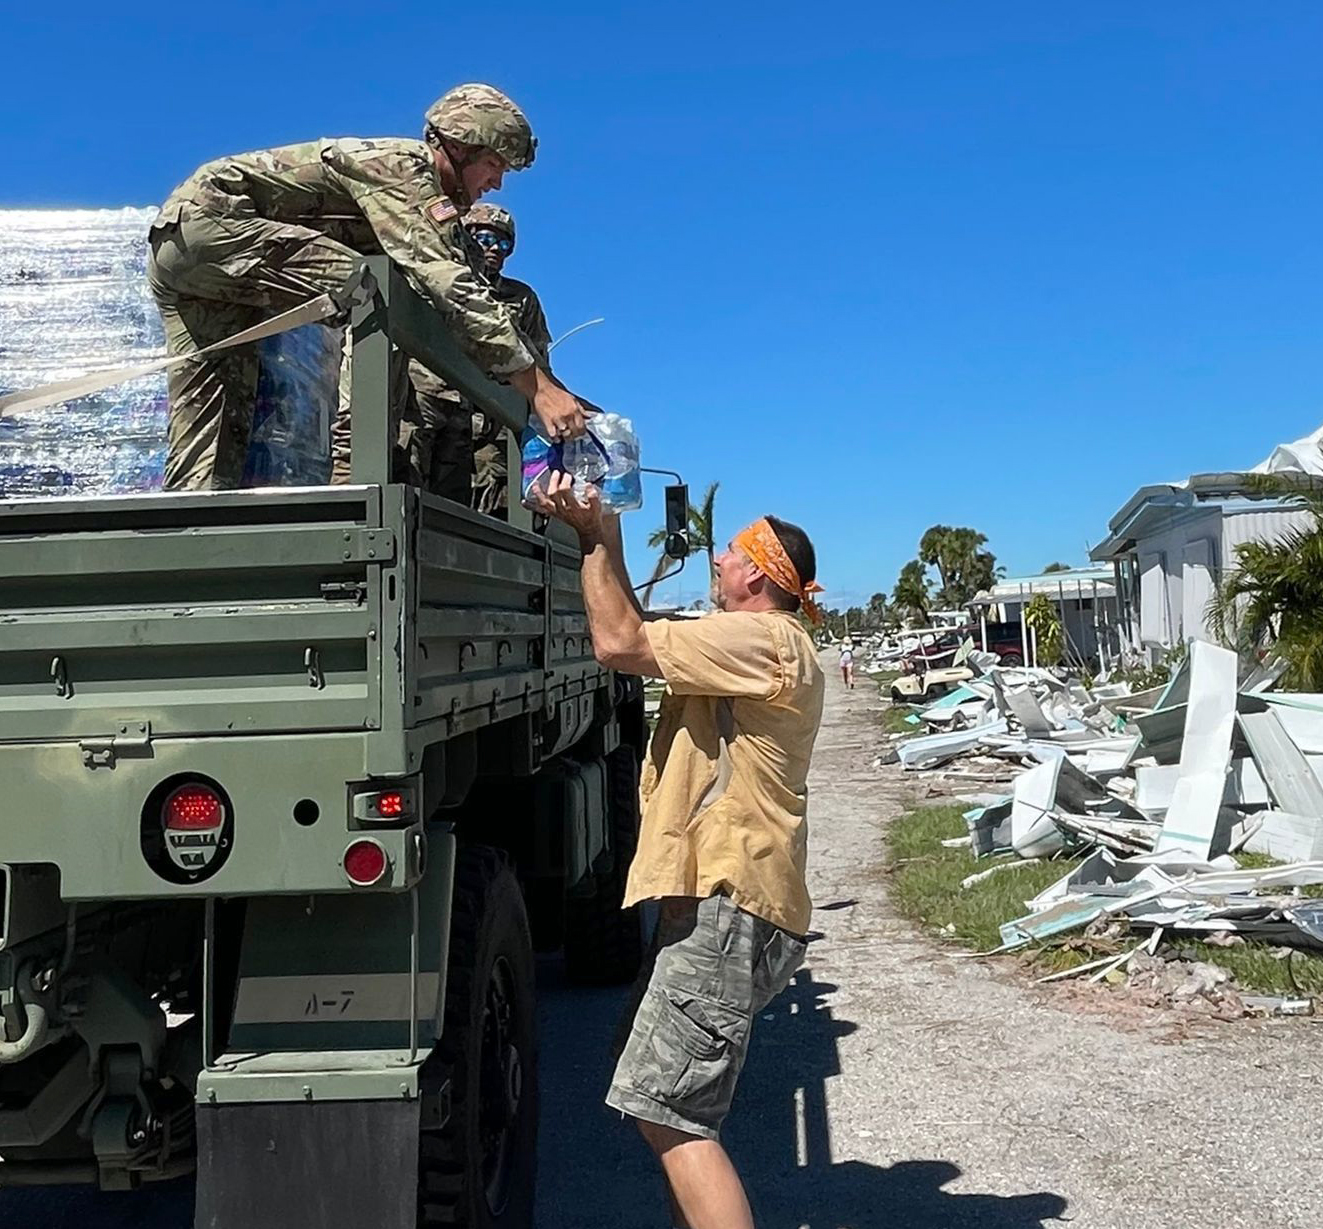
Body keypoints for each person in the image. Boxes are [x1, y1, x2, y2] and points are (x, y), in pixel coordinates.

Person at [531, 471, 827, 1229]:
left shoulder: (763, 640)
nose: (717, 559)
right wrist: (608, 536)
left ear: (758, 573)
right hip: (727, 902)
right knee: (664, 1102)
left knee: (671, 1111)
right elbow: (633, 626)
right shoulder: (758, 641)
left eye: (729, 552)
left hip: (732, 902)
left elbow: (617, 641)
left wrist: (596, 533)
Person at [146, 83, 588, 491]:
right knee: (380, 293)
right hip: (217, 227)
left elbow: (468, 276)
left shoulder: (421, 199)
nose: (496, 183)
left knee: (212, 424)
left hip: (182, 251)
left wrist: (551, 383)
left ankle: (180, 543)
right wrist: (538, 391)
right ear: (457, 146)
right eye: (494, 164)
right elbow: (449, 284)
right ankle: (357, 475)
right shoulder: (405, 170)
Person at [404, 202, 553, 510]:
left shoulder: (521, 298)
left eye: (504, 243)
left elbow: (539, 363)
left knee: (457, 506)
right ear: (467, 236)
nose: (495, 249)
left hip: (483, 415)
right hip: (424, 395)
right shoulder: (440, 272)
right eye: (486, 239)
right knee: (407, 476)